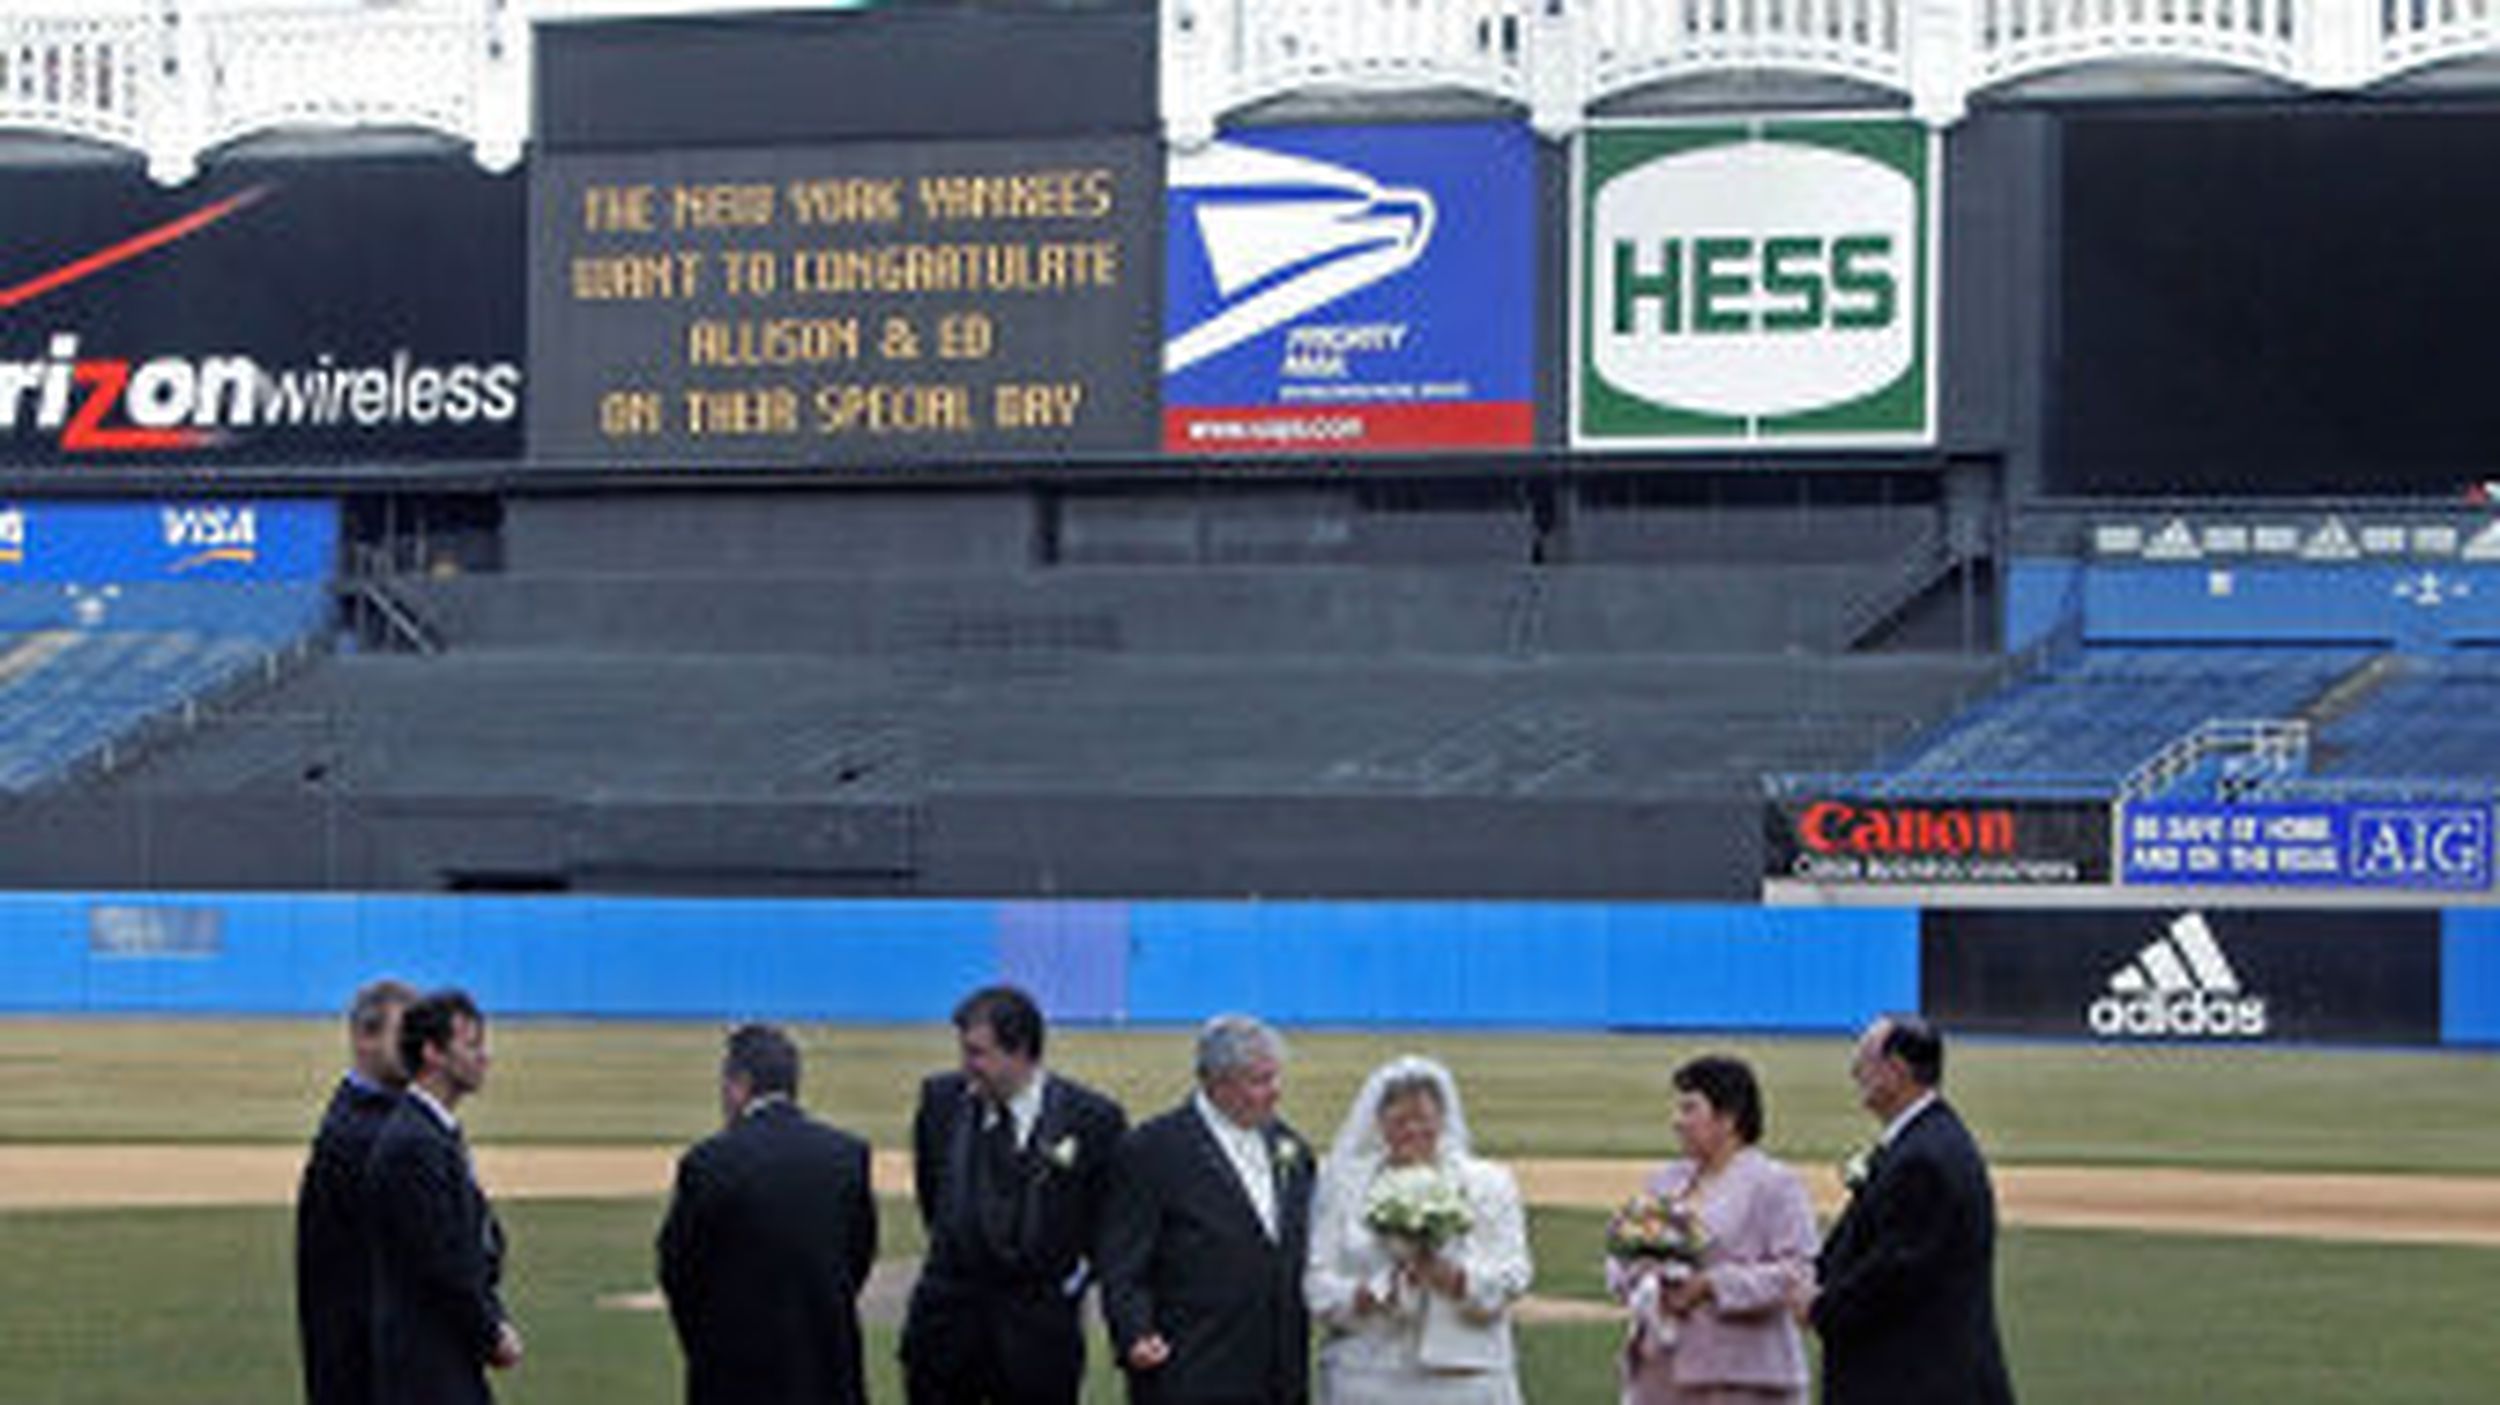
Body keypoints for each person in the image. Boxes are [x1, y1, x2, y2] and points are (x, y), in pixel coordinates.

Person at [902, 985, 1129, 1405]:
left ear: (1021, 1050)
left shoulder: (1094, 1120)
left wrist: (1068, 1286)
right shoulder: (940, 1102)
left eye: (977, 1053)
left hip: (1039, 1342)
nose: (966, 1066)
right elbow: (935, 1202)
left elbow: (1107, 1224)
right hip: (945, 1334)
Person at [1099, 1013, 1317, 1405]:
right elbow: (1122, 1260)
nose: (1275, 1091)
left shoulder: (1293, 1150)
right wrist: (1135, 1331)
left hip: (1279, 1373)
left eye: (1275, 1077)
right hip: (1191, 1367)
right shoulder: (1150, 1150)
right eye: (1260, 1080)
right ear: (1216, 1082)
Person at [658, 1023, 880, 1405]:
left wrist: (711, 1339)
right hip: (827, 1366)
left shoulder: (709, 1162)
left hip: (733, 1370)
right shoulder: (847, 1156)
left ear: (739, 1084)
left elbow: (679, 1269)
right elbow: (858, 1254)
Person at [1808, 1016, 2015, 1405]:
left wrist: (1820, 1307)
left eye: (1864, 1060)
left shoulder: (1923, 1158)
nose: (1855, 1072)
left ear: (1897, 1071)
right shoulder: (1925, 1141)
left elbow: (1896, 1270)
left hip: (1917, 1383)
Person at [1305, 1055, 1531, 1405]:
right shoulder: (1342, 1185)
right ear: (1378, 1122)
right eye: (1399, 1120)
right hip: (1367, 1372)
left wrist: (1456, 1279)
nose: (1412, 1131)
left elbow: (1514, 1274)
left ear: (1443, 1118)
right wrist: (1366, 1295)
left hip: (1466, 1374)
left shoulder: (1490, 1183)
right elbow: (1316, 1284)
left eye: (1423, 1119)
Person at [1610, 1055, 1817, 1405]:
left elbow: (1796, 1274)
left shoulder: (1773, 1184)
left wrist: (1710, 1286)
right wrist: (1639, 1278)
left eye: (1690, 1109)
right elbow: (1624, 1252)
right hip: (1660, 1376)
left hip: (1743, 1380)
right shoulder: (1665, 1181)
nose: (1677, 1122)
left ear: (1728, 1118)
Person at [364, 988, 521, 1405]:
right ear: (433, 1053)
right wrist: (491, 1331)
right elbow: (441, 1260)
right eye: (471, 1045)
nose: (485, 1057)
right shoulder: (414, 1144)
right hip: (426, 1368)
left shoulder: (435, 1132)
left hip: (445, 1356)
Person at [296, 978, 417, 1405]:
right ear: (364, 1039)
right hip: (366, 1367)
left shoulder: (381, 1117)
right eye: (405, 1035)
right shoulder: (361, 1132)